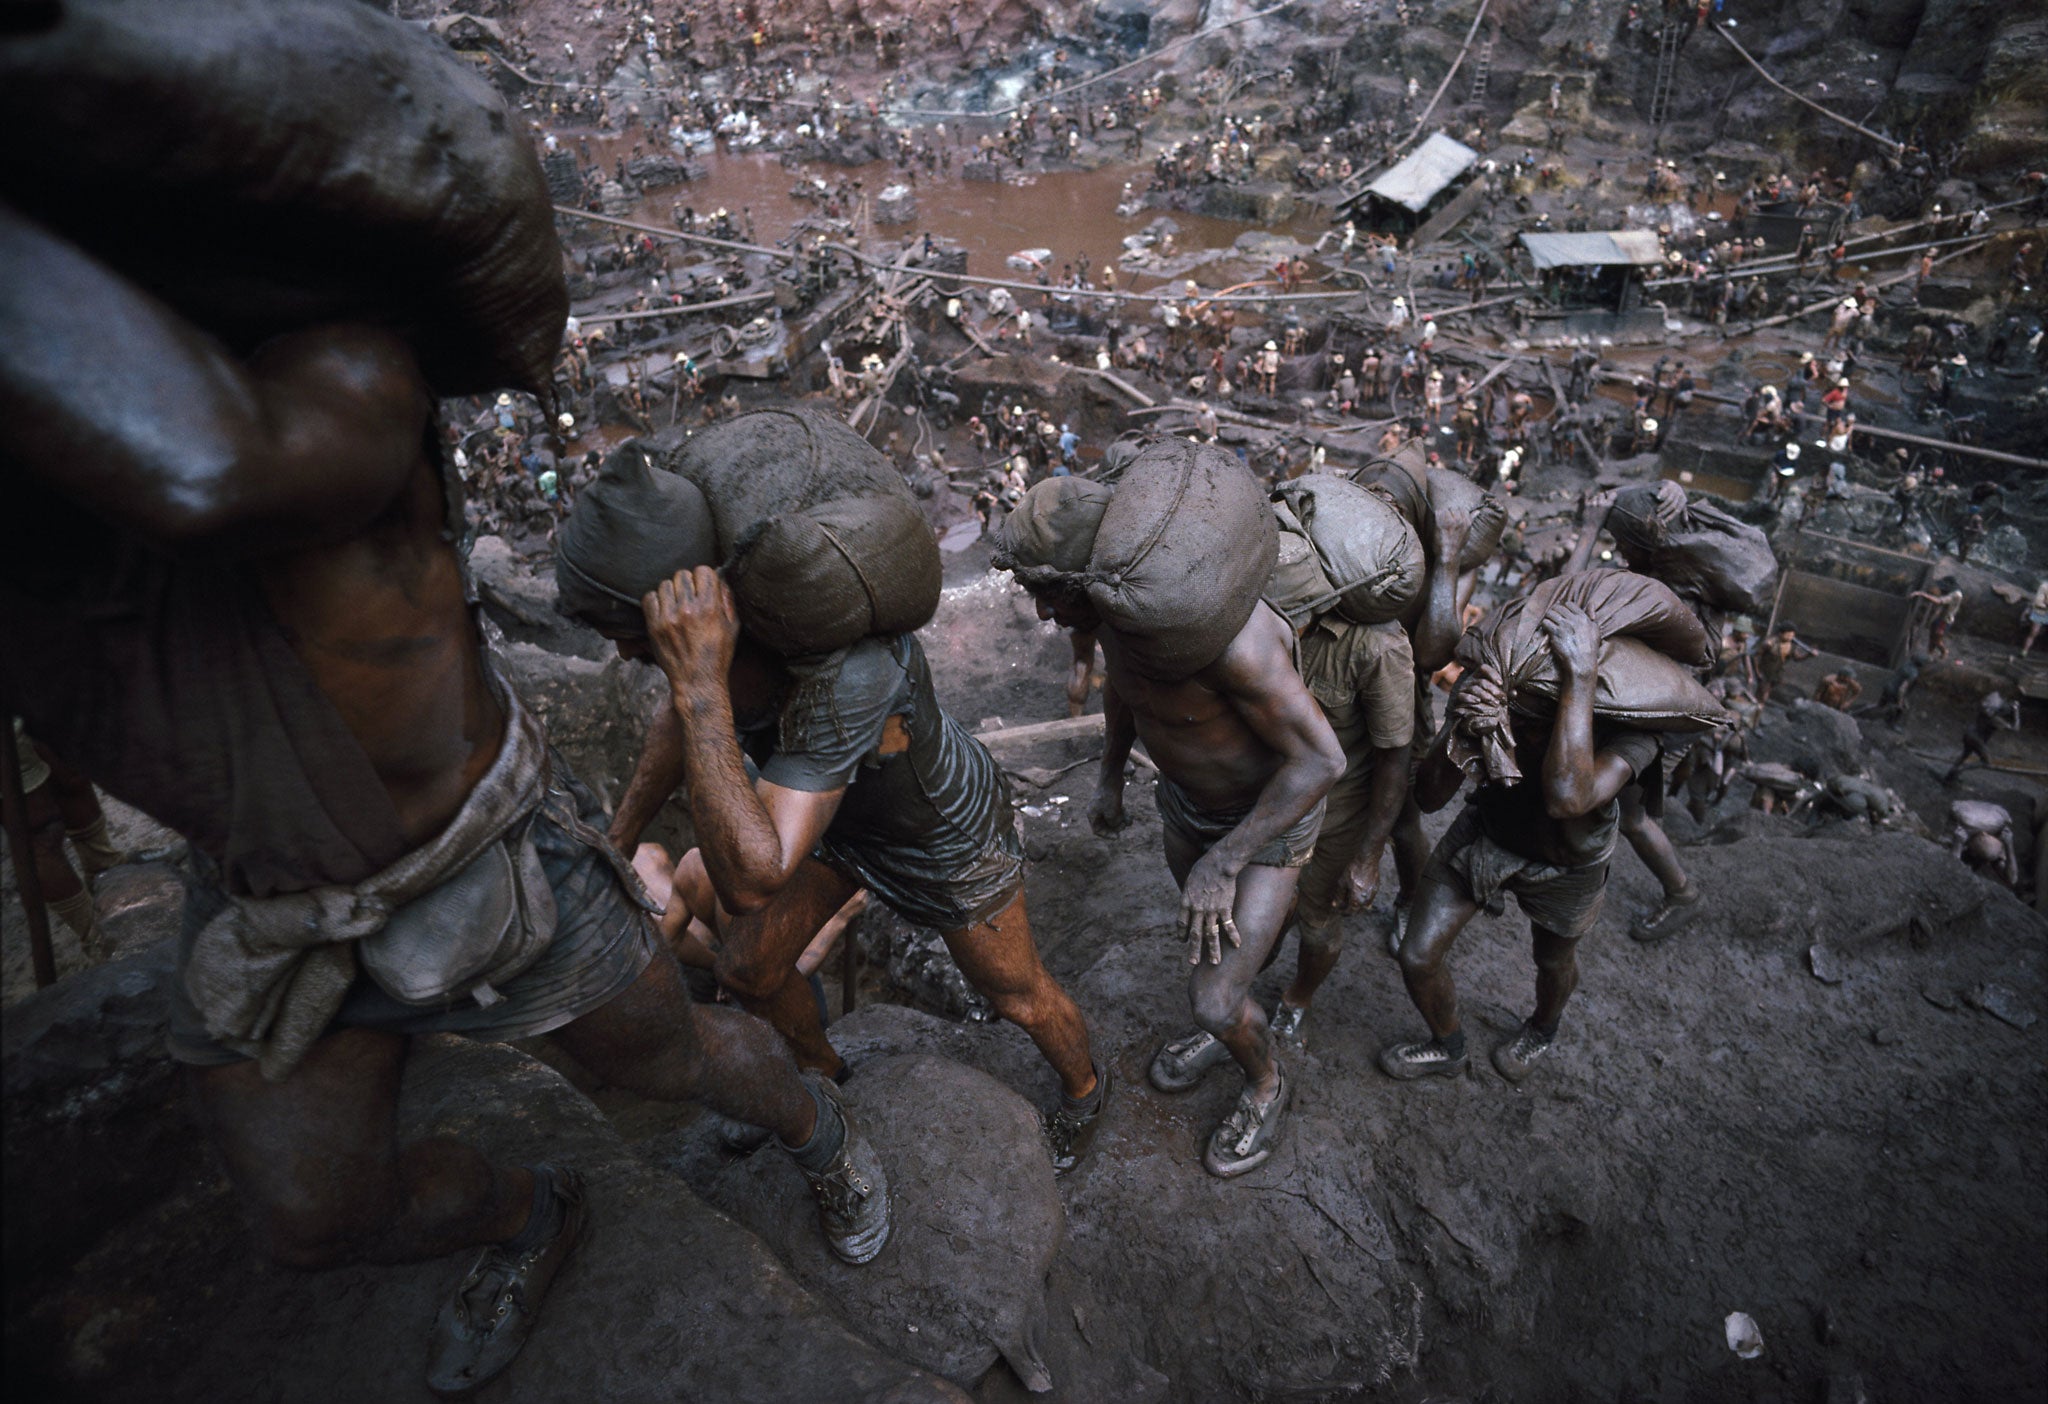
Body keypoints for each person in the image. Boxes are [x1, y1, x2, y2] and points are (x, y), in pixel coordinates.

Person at [3, 195, 888, 1404]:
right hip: (269, 900)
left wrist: (688, 706)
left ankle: (816, 1132)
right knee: (312, 1220)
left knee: (674, 1055)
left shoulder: (338, 379)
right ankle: (528, 1211)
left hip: (491, 856)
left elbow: (209, 477)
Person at [566, 459, 1110, 1177]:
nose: (619, 652)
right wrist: (618, 841)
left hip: (943, 834)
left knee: (1016, 994)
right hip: (833, 823)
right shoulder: (709, 638)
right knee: (749, 968)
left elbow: (751, 881)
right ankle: (828, 1080)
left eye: (622, 631)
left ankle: (1086, 1094)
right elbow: (678, 710)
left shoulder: (847, 670)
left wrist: (701, 686)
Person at [1000, 489, 1344, 1179]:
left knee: (1213, 996)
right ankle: (1231, 1022)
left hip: (1264, 827)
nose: (1040, 611)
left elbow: (1321, 760)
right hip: (1188, 809)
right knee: (1212, 947)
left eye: (1046, 592)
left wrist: (1227, 860)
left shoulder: (1232, 643)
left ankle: (1268, 1081)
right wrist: (1109, 775)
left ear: (1085, 581)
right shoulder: (1115, 620)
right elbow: (1123, 689)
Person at [1382, 602, 1664, 1083]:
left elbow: (1568, 800)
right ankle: (1447, 1044)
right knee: (1417, 954)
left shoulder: (1630, 724)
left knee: (1553, 962)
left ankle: (1542, 1027)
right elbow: (1429, 798)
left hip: (1569, 859)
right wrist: (1466, 726)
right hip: (1487, 832)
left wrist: (1579, 678)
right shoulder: (1491, 694)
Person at [1943, 690, 2020, 783]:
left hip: (1969, 733)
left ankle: (1950, 776)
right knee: (1986, 762)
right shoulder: (1996, 720)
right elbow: (2015, 728)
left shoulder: (1985, 712)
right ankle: (1959, 770)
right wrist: (2016, 712)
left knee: (1964, 755)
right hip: (1976, 739)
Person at [1754, 624, 1816, 704]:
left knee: (1765, 694)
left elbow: (1796, 658)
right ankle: (1756, 708)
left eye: (1792, 635)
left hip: (1777, 674)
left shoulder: (1792, 645)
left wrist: (1808, 656)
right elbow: (1756, 656)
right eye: (1788, 635)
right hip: (1765, 672)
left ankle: (1756, 708)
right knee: (1763, 695)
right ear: (1781, 634)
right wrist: (1757, 672)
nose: (1790, 637)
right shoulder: (1769, 643)